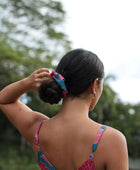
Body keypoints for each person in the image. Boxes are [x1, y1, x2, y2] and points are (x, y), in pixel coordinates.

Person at [0, 49, 128, 170]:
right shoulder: (112, 141)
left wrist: (27, 83)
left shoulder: (37, 130)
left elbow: (4, 100)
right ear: (94, 86)